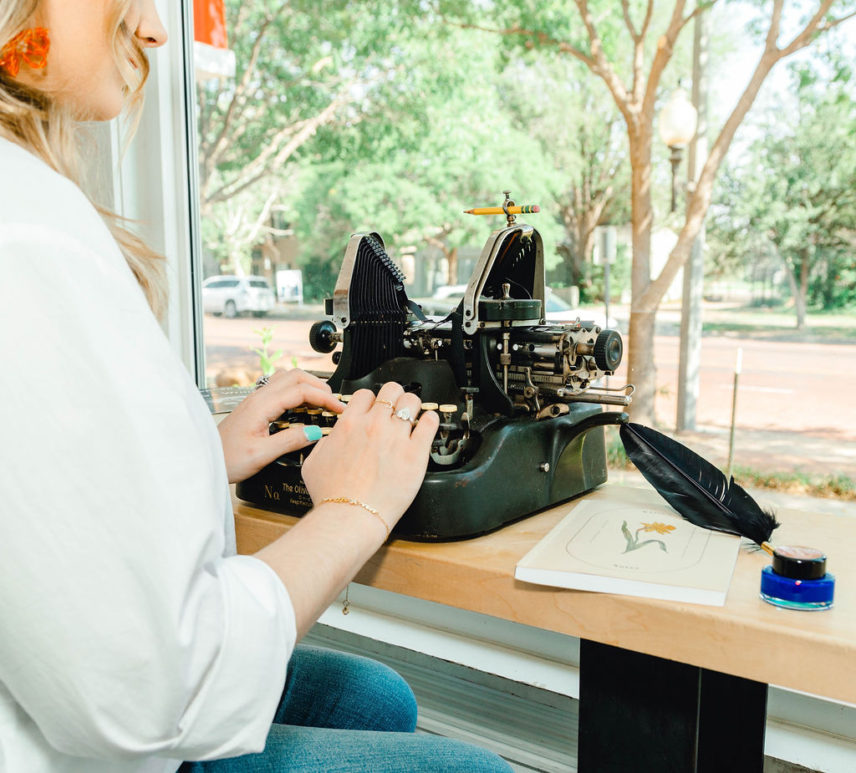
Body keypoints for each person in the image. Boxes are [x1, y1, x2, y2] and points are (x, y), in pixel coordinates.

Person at [0, 2, 513, 771]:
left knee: (374, 698)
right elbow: (152, 697)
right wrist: (353, 509)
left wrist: (199, 457)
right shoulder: (25, 236)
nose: (155, 31)